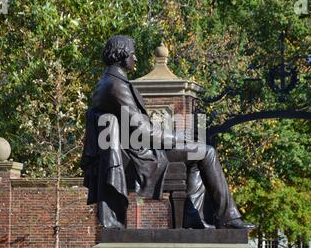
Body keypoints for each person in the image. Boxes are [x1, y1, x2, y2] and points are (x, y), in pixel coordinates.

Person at [80, 35, 255, 230]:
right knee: (207, 152)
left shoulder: (108, 82)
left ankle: (192, 217)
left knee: (199, 153)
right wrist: (177, 137)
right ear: (122, 55)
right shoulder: (115, 85)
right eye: (133, 54)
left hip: (131, 148)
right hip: (136, 154)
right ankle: (228, 218)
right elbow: (144, 132)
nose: (135, 59)